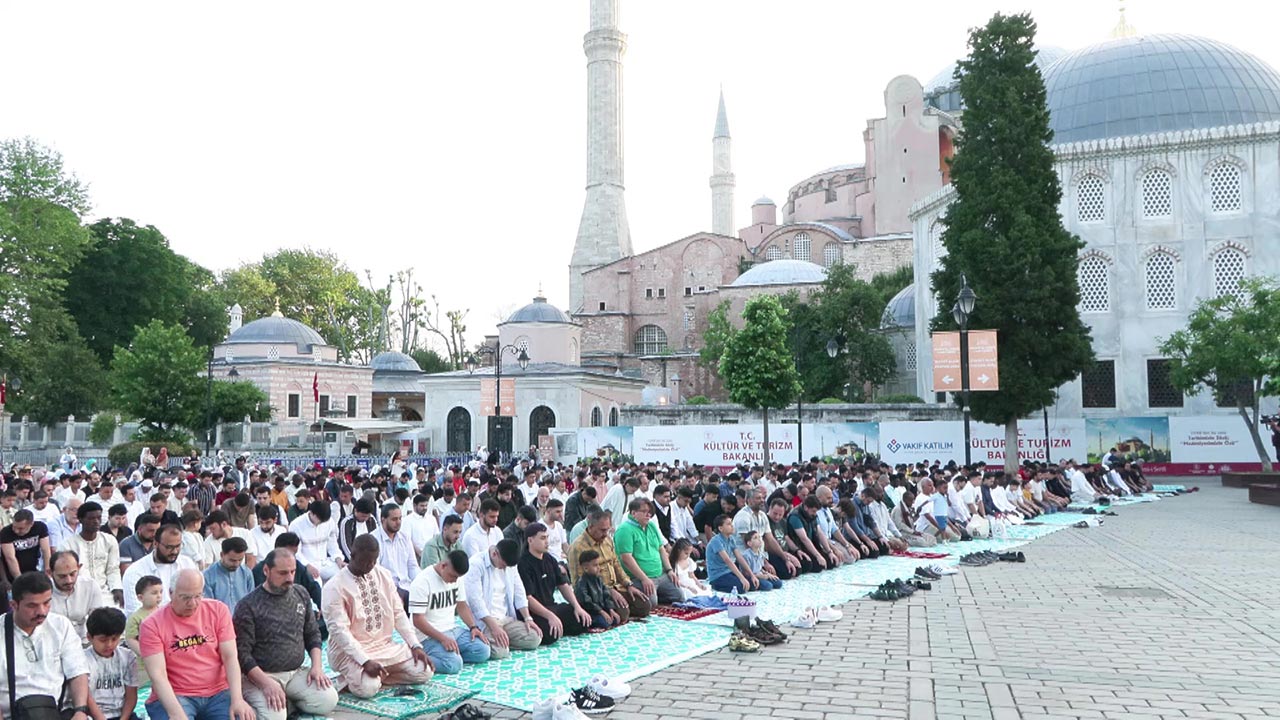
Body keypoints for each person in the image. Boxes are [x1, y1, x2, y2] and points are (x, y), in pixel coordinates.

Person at [322, 535, 433, 698]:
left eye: (374, 561)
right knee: (368, 689)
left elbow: (398, 613)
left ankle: (375, 677)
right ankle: (358, 677)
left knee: (425, 671)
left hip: (384, 647)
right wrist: (364, 661)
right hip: (350, 652)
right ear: (352, 556)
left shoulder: (383, 575)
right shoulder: (334, 587)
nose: (370, 565)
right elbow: (340, 632)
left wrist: (415, 645)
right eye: (366, 561)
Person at [234, 549, 338, 720]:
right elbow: (242, 655)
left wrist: (317, 667)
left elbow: (312, 634)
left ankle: (287, 701)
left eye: (292, 572)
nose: (289, 578)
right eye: (282, 573)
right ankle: (279, 703)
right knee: (275, 717)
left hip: (294, 672)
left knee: (328, 700)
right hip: (261, 676)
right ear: (266, 571)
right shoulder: (248, 606)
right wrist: (266, 684)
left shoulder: (300, 593)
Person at [140, 569, 253, 720]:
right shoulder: (152, 624)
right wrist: (176, 714)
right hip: (176, 694)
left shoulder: (218, 610)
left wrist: (237, 699)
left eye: (198, 596)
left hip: (218, 692)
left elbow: (230, 657)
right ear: (171, 593)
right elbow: (158, 675)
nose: (192, 603)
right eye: (185, 598)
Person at [0, 572, 93, 720]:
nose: (42, 611)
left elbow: (78, 672)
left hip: (58, 712)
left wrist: (80, 710)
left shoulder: (61, 625)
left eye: (46, 603)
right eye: (32, 606)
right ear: (14, 605)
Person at [408, 550, 491, 674]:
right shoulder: (422, 582)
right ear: (443, 566)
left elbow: (462, 605)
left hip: (452, 630)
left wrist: (473, 627)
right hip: (428, 636)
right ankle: (415, 659)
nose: (454, 580)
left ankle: (448, 654)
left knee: (483, 650)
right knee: (453, 664)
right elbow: (417, 620)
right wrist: (442, 638)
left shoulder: (457, 579)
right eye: (453, 576)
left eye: (457, 577)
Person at [463, 539, 542, 659]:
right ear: (495, 554)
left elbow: (519, 590)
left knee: (535, 638)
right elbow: (475, 602)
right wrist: (494, 627)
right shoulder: (476, 564)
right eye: (503, 565)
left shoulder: (510, 566)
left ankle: (501, 640)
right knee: (500, 653)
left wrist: (527, 618)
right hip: (486, 622)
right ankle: (497, 641)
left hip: (506, 619)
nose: (504, 568)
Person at [567, 510, 651, 621]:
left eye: (607, 529)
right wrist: (610, 592)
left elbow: (616, 564)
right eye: (602, 530)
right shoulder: (577, 547)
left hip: (616, 587)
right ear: (591, 527)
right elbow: (579, 582)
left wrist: (628, 585)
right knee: (623, 614)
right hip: (597, 594)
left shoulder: (607, 540)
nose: (606, 533)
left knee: (645, 605)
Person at [517, 523, 591, 644]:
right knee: (550, 634)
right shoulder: (523, 564)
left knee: (582, 621)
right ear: (530, 540)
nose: (547, 542)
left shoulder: (550, 559)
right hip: (535, 612)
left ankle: (560, 625)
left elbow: (563, 585)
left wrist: (577, 607)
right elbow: (527, 598)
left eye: (547, 537)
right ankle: (558, 626)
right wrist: (549, 616)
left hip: (552, 606)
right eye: (542, 538)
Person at [615, 498, 682, 606]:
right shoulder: (625, 530)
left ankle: (656, 593)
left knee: (679, 596)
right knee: (651, 603)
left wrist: (669, 570)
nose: (648, 515)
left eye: (650, 512)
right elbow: (626, 558)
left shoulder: (651, 526)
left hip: (660, 574)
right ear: (633, 513)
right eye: (644, 512)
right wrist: (644, 579)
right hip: (639, 577)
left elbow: (661, 549)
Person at [120, 525, 199, 615]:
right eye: (169, 547)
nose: (174, 551)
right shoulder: (135, 571)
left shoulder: (187, 564)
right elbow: (135, 613)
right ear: (155, 544)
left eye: (178, 546)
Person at [62, 502, 125, 607]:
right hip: (78, 594)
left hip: (105, 593)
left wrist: (116, 588)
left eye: (99, 518)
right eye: (91, 518)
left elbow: (113, 569)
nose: (96, 522)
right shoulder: (68, 545)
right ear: (81, 520)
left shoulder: (109, 540)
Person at [83, 607, 139, 720]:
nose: (109, 645)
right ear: (89, 637)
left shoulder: (127, 657)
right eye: (103, 640)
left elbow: (131, 694)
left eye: (114, 639)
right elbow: (86, 697)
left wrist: (124, 718)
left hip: (122, 714)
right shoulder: (83, 659)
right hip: (93, 716)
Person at [49, 550, 109, 644]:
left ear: (79, 568)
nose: (69, 580)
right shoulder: (42, 592)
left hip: (83, 641)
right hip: (53, 643)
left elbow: (97, 619)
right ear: (50, 573)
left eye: (72, 574)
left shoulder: (90, 585)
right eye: (62, 576)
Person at [373, 504, 418, 610]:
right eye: (394, 519)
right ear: (383, 519)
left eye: (400, 518)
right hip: (385, 590)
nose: (398, 522)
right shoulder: (374, 539)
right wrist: (395, 591)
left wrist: (421, 583)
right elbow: (376, 574)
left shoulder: (405, 538)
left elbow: (412, 566)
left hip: (407, 587)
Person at [288, 500, 343, 581]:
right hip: (306, 564)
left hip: (325, 563)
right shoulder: (296, 525)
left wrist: (338, 558)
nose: (321, 523)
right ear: (312, 513)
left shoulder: (329, 521)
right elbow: (296, 552)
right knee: (316, 581)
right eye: (319, 520)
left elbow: (332, 544)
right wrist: (307, 565)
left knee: (342, 574)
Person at [124, 575, 163, 687]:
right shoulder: (135, 617)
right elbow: (130, 638)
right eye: (154, 593)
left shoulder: (165, 613)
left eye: (161, 592)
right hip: (144, 665)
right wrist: (144, 652)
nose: (159, 596)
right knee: (147, 690)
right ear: (140, 597)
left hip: (165, 661)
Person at [203, 537, 255, 613]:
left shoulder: (246, 573)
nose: (237, 564)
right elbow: (209, 607)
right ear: (222, 555)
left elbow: (251, 601)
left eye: (240, 560)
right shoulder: (208, 575)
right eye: (232, 560)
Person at [706, 515, 755, 593]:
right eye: (728, 524)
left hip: (728, 572)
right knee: (741, 587)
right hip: (718, 576)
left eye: (731, 523)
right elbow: (727, 560)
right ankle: (716, 586)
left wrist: (752, 575)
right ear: (720, 528)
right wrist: (741, 577)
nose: (732, 526)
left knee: (753, 584)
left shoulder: (731, 539)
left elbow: (739, 557)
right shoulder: (716, 541)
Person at [1, 508, 52, 583]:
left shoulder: (40, 527)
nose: (16, 531)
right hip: (14, 572)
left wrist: (47, 571)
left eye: (21, 528)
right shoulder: (6, 532)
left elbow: (46, 550)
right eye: (14, 526)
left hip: (35, 568)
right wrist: (19, 579)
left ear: (31, 524)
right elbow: (10, 558)